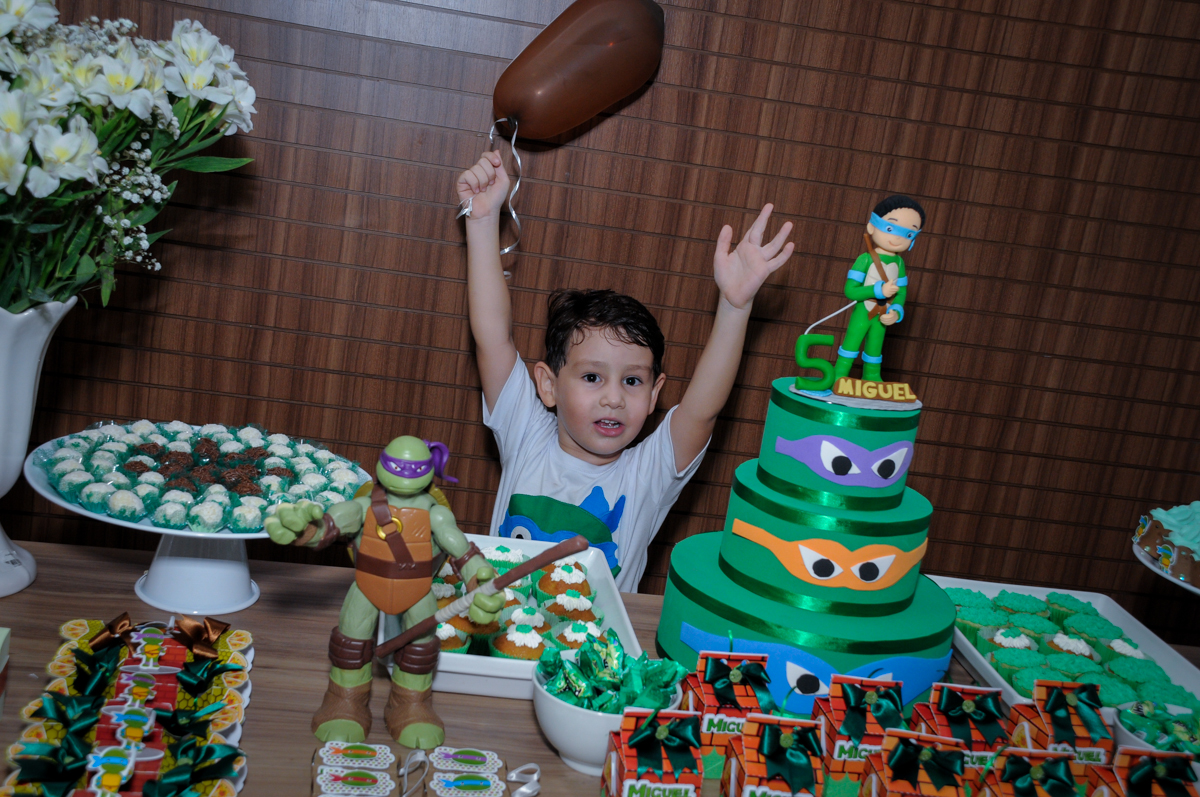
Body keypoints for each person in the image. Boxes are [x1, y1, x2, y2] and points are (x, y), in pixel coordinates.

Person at [457, 149, 795, 591]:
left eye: (632, 381)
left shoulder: (646, 474)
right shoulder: (526, 433)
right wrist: (483, 222)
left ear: (654, 395)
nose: (614, 397)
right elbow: (492, 336)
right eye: (592, 377)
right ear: (548, 385)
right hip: (500, 625)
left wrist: (735, 307)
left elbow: (701, 411)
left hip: (599, 637)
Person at [831, 195, 926, 383]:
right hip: (864, 312)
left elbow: (901, 292)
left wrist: (896, 311)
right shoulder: (865, 259)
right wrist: (878, 291)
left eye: (908, 234)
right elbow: (851, 291)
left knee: (875, 348)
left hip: (884, 314)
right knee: (851, 344)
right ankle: (839, 374)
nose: (898, 237)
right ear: (872, 227)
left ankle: (872, 376)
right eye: (890, 228)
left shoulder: (900, 263)